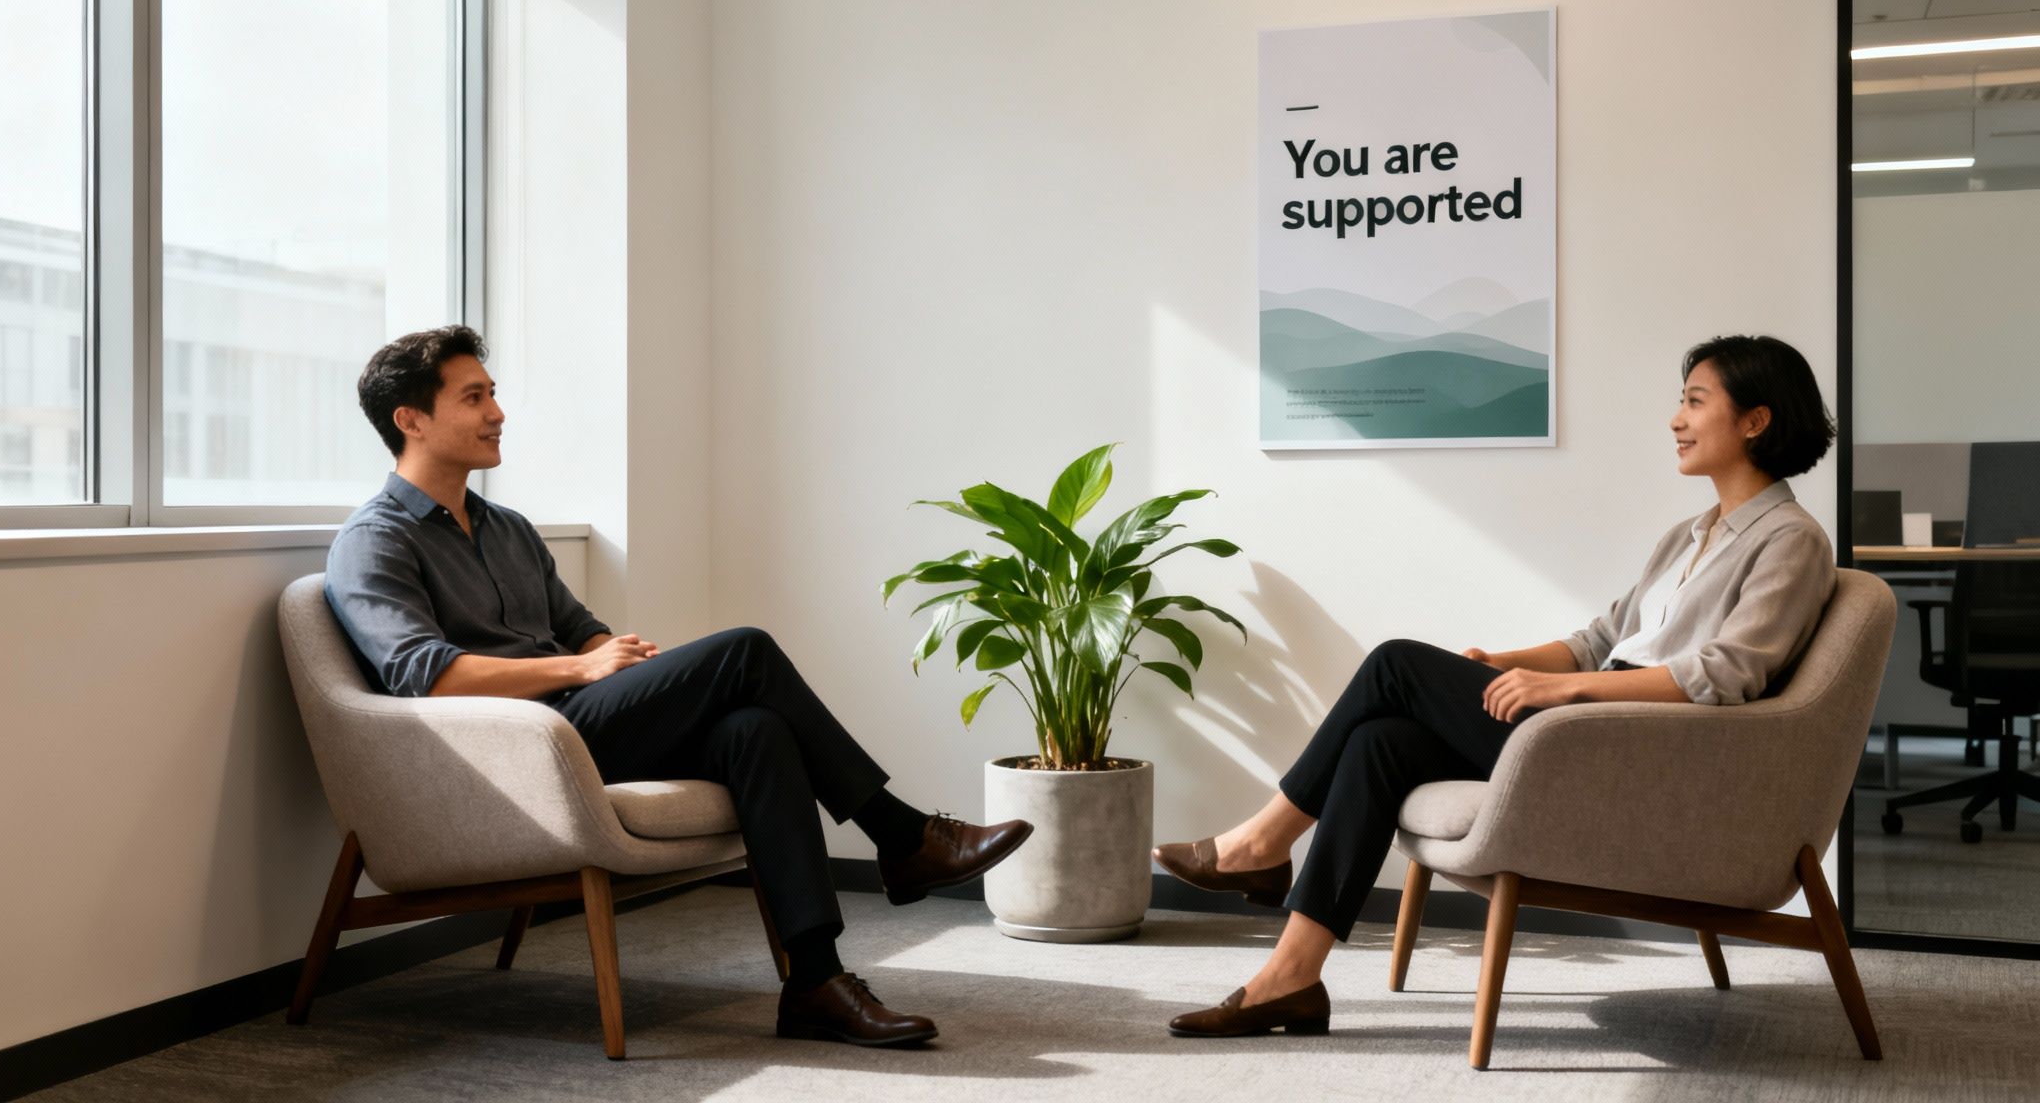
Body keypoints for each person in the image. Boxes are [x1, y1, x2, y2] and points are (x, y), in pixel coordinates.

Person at [324, 325, 1032, 1048]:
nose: (497, 412)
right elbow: (425, 677)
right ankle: (901, 834)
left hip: (581, 727)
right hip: (516, 754)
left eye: (493, 393)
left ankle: (816, 981)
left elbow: (580, 627)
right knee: (745, 651)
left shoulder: (509, 530)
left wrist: (621, 659)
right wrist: (581, 669)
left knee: (756, 729)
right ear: (410, 420)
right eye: (474, 397)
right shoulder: (375, 540)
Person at [1156, 334, 1838, 1038]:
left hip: (1640, 749)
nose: (1676, 419)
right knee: (1381, 741)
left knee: (1394, 663)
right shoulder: (1688, 535)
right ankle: (1291, 978)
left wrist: (1565, 694)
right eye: (1681, 401)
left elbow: (1726, 675)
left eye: (1695, 402)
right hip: (1592, 724)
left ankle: (1258, 846)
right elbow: (1597, 643)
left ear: (1755, 420)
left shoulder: (1791, 540)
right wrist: (1503, 662)